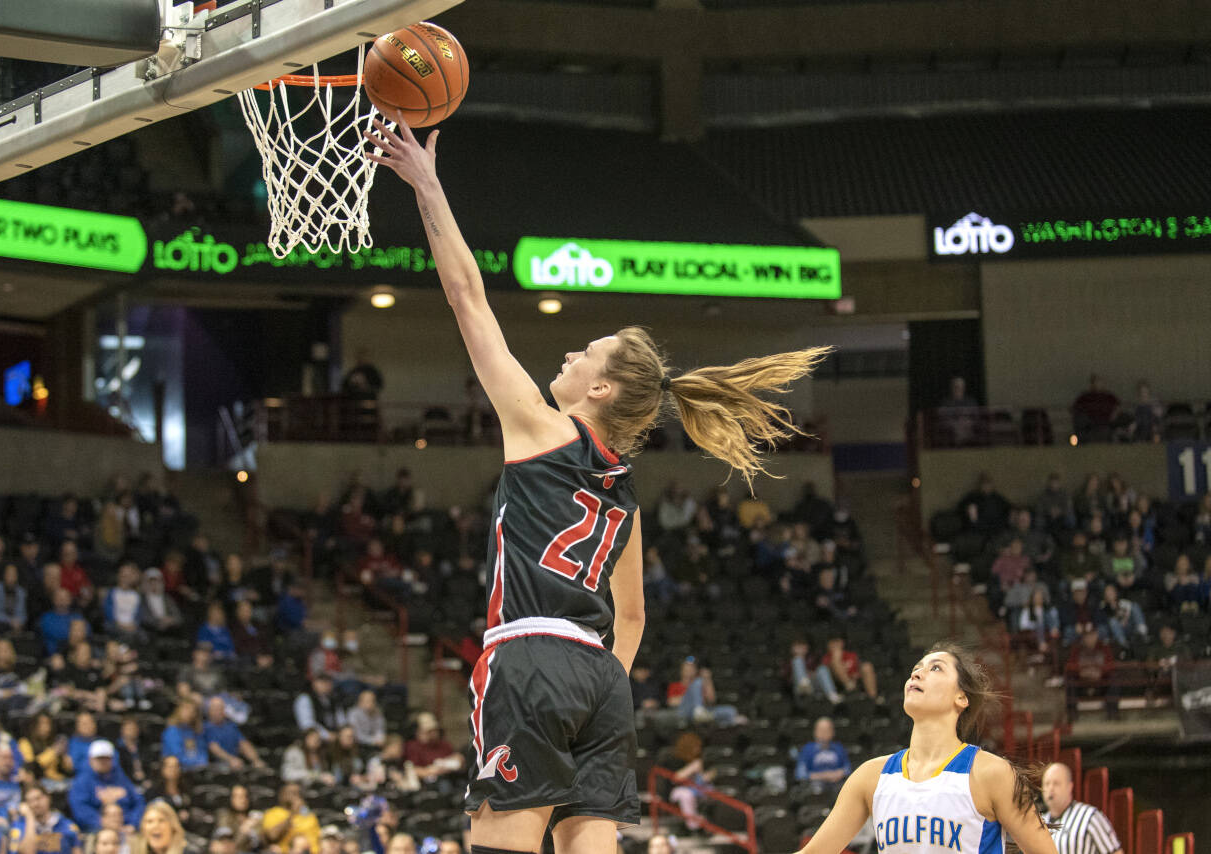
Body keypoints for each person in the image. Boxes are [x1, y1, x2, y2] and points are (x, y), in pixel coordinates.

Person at [367, 115, 828, 854]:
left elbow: (466, 297)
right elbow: (634, 617)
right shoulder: (625, 490)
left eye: (588, 351)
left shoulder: (541, 430)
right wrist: (594, 683)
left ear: (603, 391)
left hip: (530, 656)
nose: (573, 352)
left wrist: (426, 183)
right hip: (600, 678)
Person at [793, 643, 1055, 854]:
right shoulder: (870, 777)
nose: (916, 673)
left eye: (936, 668)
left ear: (961, 697)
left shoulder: (990, 773)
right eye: (917, 668)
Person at [1040, 763, 1123, 854]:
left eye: (1056, 783)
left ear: (1070, 786)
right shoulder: (1039, 823)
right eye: (1047, 784)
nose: (1050, 788)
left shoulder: (1090, 817)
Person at [68, 741, 142, 832]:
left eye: (107, 758)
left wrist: (133, 824)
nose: (103, 762)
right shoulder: (82, 781)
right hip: (96, 831)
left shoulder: (121, 778)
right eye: (99, 758)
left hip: (127, 828)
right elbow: (80, 809)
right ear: (91, 759)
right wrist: (101, 823)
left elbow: (138, 802)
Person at [12, 784, 82, 854]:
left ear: (48, 798)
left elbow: (77, 851)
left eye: (38, 798)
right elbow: (28, 852)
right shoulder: (20, 826)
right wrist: (30, 818)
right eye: (30, 801)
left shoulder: (67, 825)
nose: (35, 804)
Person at [203, 697, 265, 769]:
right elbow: (214, 748)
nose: (218, 712)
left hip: (235, 761)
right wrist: (231, 759)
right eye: (215, 709)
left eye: (220, 708)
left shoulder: (231, 726)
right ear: (209, 711)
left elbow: (243, 743)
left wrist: (255, 760)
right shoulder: (206, 727)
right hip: (216, 763)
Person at [261, 784, 319, 854]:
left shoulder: (310, 816)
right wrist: (292, 815)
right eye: (292, 793)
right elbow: (272, 836)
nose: (296, 796)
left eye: (298, 793)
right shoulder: (273, 812)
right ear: (282, 795)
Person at [795, 717, 851, 790]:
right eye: (821, 730)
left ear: (833, 732)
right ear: (815, 732)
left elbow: (848, 769)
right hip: (814, 785)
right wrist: (823, 776)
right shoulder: (807, 749)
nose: (824, 733)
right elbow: (800, 774)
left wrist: (839, 773)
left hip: (836, 784)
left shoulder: (839, 748)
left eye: (827, 730)